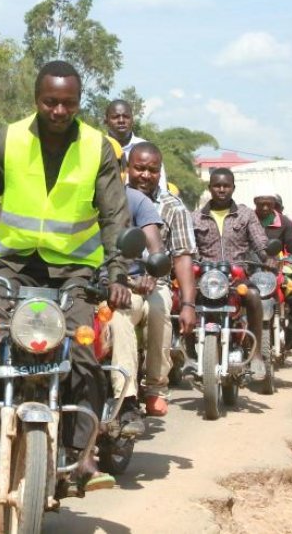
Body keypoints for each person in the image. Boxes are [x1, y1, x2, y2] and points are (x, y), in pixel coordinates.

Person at [0, 60, 131, 492]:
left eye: (69, 104)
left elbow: (116, 216)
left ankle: (84, 457)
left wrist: (117, 272)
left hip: (74, 270)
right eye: (50, 102)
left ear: (80, 103)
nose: (59, 111)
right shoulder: (9, 139)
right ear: (36, 99)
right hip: (11, 267)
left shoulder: (97, 148)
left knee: (83, 356)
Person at [121, 142, 197, 416]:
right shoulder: (113, 200)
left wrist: (189, 304)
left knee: (157, 310)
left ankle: (154, 388)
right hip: (119, 280)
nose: (145, 175)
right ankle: (122, 390)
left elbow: (182, 257)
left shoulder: (174, 207)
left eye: (152, 170)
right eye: (139, 168)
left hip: (157, 282)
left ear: (159, 172)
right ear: (127, 168)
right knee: (121, 315)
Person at [193, 167, 269, 380]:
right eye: (217, 185)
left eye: (226, 186)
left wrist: (267, 256)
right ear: (210, 188)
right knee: (181, 298)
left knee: (254, 296)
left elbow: (260, 242)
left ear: (233, 188)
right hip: (206, 279)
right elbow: (190, 247)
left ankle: (256, 356)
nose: (222, 189)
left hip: (237, 278)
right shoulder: (196, 217)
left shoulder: (245, 214)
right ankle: (186, 352)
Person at [106, 183, 165, 435]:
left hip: (127, 285)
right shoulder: (69, 194)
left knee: (120, 317)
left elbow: (155, 249)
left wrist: (149, 274)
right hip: (77, 281)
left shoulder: (135, 200)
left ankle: (128, 401)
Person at [253, 185, 292, 353]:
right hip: (249, 271)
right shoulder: (247, 219)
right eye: (261, 204)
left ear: (274, 204)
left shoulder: (285, 222)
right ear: (255, 203)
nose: (265, 207)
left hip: (274, 272)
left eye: (269, 204)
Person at [103, 99, 169, 192]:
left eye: (126, 117)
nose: (121, 120)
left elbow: (161, 190)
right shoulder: (98, 147)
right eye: (115, 117)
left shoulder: (148, 150)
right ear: (106, 120)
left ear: (132, 120)